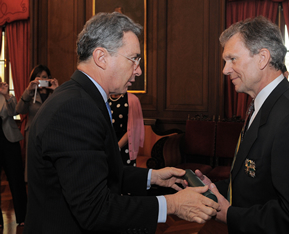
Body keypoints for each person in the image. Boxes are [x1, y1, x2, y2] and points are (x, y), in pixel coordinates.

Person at [24, 12, 219, 234]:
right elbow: (94, 209)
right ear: (101, 57)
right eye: (134, 59)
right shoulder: (74, 108)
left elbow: (101, 172)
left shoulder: (82, 98)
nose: (139, 70)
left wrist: (153, 177)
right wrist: (172, 205)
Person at [195, 16, 289, 233]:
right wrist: (213, 188)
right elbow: (257, 181)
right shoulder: (263, 105)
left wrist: (230, 215)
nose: (225, 70)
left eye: (232, 59)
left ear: (262, 58)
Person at [16, 64, 59, 181]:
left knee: (50, 167)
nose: (42, 80)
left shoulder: (53, 93)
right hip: (33, 134)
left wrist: (57, 91)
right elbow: (19, 110)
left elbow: (61, 112)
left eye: (44, 77)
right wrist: (28, 90)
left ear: (49, 78)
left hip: (51, 134)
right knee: (33, 167)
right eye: (38, 77)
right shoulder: (30, 94)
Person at [0, 77, 27, 228]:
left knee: (16, 180)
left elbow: (14, 111)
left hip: (9, 140)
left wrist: (6, 95)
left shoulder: (6, 94)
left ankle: (23, 216)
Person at [109, 92, 144, 167]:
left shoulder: (132, 99)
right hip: (107, 144)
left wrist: (116, 147)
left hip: (124, 146)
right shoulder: (104, 98)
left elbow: (133, 128)